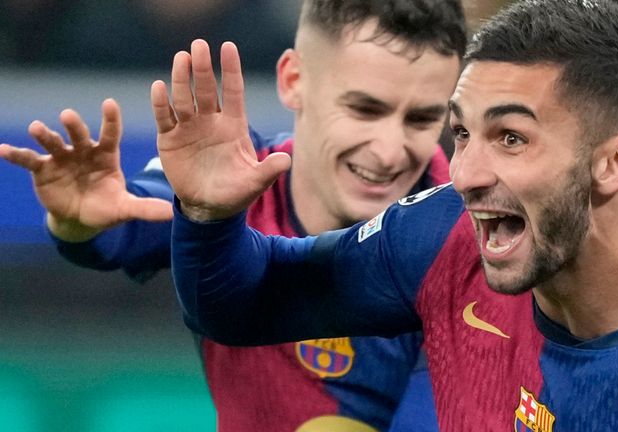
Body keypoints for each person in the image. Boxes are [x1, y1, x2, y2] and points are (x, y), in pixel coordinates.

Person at [157, 0, 618, 430]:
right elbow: (247, 301)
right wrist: (209, 217)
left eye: (511, 138)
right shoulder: (445, 235)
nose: (466, 173)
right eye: (462, 134)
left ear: (613, 164)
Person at [0, 1, 466, 430]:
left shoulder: (465, 246)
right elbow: (120, 233)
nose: (388, 151)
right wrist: (80, 220)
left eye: (421, 120)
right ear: (293, 81)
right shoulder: (229, 181)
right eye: (364, 109)